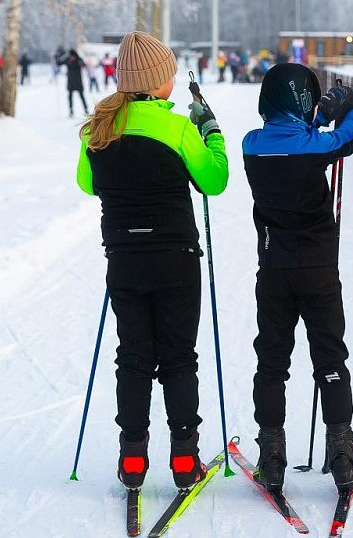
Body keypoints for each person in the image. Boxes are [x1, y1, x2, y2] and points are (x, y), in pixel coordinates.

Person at [75, 31, 229, 492]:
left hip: (123, 259)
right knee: (180, 357)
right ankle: (184, 459)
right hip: (176, 258)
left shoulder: (97, 130)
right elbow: (215, 180)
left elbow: (89, 184)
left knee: (134, 357)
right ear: (158, 81)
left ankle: (133, 459)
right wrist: (212, 132)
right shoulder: (178, 127)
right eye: (170, 76)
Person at [241, 64, 353, 493]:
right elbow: (343, 139)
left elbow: (300, 134)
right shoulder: (317, 148)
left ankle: (272, 454)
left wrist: (320, 116)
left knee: (271, 363)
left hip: (274, 271)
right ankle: (339, 451)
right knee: (330, 359)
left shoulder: (252, 146)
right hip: (318, 269)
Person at [58, 49, 89, 117]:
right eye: (70, 56)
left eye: (72, 56)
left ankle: (86, 109)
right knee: (70, 97)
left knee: (82, 96)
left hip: (78, 81)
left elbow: (84, 65)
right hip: (71, 82)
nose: (71, 58)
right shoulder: (67, 60)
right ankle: (71, 111)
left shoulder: (79, 59)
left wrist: (81, 62)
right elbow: (59, 63)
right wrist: (60, 56)